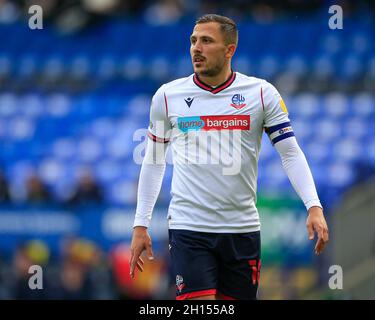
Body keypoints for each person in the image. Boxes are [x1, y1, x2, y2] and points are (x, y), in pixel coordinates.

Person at [130, 14, 329, 300]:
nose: (196, 48)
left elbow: (290, 153)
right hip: (189, 227)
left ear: (229, 50)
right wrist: (140, 224)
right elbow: (153, 160)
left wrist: (314, 206)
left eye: (206, 41)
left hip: (242, 228)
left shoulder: (261, 94)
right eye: (193, 41)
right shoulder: (167, 96)